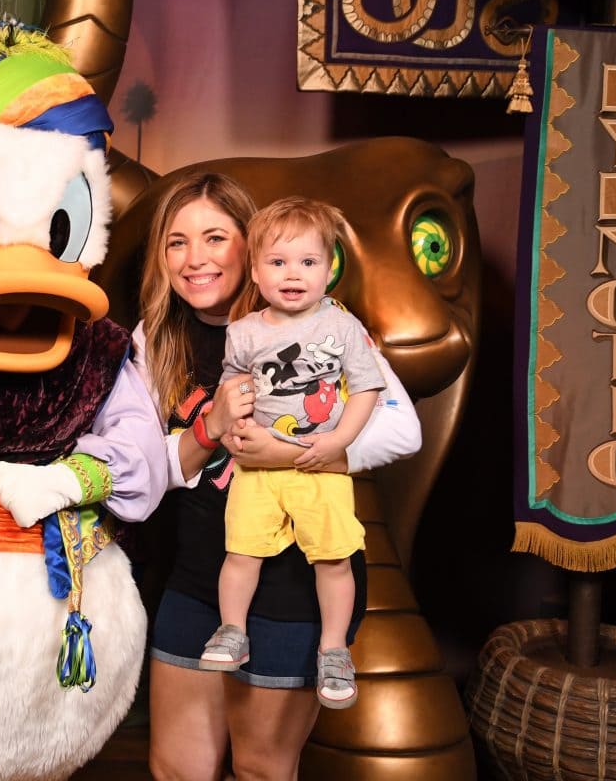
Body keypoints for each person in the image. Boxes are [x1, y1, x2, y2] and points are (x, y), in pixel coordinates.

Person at [130, 174, 421, 781]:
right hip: (199, 576)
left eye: (215, 237)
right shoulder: (153, 340)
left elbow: (401, 431)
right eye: (176, 243)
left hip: (298, 584)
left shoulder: (322, 323)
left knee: (262, 768)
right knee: (176, 770)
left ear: (253, 248)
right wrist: (208, 429)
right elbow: (146, 472)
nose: (196, 259)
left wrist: (279, 452)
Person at [198, 197, 382, 711]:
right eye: (278, 263)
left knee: (334, 560)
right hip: (256, 470)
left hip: (319, 465)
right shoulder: (245, 331)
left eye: (308, 262)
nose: (293, 274)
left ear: (328, 270)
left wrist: (339, 440)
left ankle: (333, 649)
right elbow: (231, 380)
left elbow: (367, 388)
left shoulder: (342, 326)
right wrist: (230, 419)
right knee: (241, 553)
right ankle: (232, 630)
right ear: (255, 271)